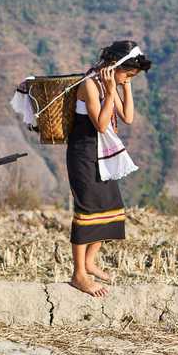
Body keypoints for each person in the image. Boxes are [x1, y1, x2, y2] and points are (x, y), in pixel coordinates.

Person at [67, 40, 151, 297]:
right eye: (128, 73)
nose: (129, 79)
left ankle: (91, 262)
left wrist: (124, 86)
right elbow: (102, 124)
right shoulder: (90, 85)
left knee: (110, 206)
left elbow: (128, 117)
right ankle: (79, 273)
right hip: (84, 154)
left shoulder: (111, 83)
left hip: (102, 155)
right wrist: (111, 88)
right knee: (88, 209)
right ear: (114, 66)